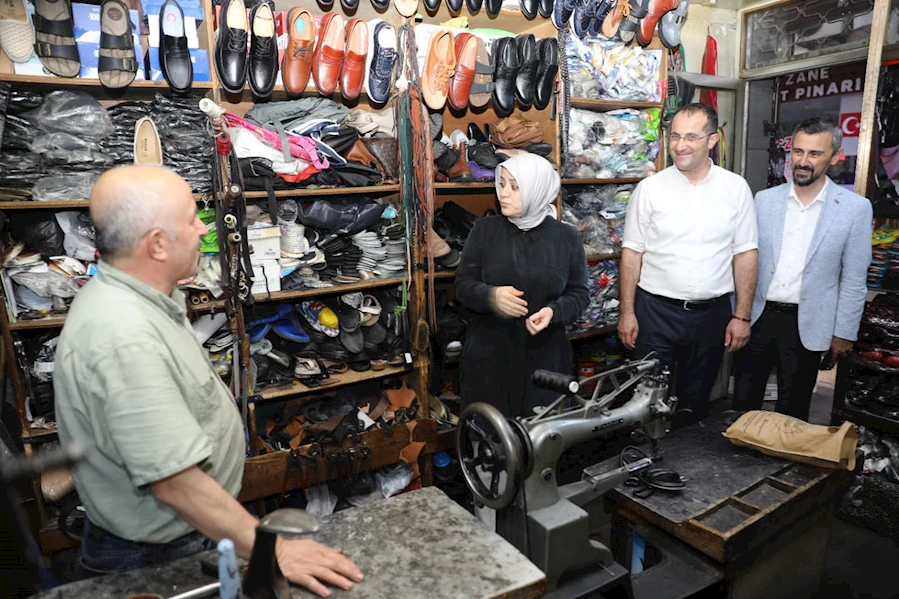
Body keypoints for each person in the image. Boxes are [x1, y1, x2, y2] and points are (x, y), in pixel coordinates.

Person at [54, 166, 363, 598]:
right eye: (191, 219)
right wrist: (273, 551)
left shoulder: (143, 298)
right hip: (156, 556)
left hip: (186, 533)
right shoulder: (123, 335)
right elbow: (176, 484)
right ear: (157, 244)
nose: (203, 228)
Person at [619, 103, 758, 425]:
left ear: (712, 140)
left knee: (695, 404)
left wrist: (742, 316)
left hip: (711, 316)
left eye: (691, 137)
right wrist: (627, 312)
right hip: (655, 313)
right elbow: (632, 253)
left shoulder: (735, 188)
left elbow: (745, 254)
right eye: (675, 136)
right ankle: (645, 452)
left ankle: (686, 452)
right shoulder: (650, 189)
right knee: (646, 401)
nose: (680, 145)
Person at [734, 118, 872, 421]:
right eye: (798, 152)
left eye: (814, 154)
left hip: (807, 324)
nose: (803, 161)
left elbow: (854, 279)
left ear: (835, 157)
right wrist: (737, 314)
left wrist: (843, 333)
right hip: (758, 317)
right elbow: (744, 260)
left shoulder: (854, 209)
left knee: (793, 413)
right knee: (742, 406)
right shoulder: (764, 200)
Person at [455, 153, 589, 417]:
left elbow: (579, 294)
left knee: (541, 431)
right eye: (502, 184)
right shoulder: (485, 230)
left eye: (515, 187)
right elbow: (462, 286)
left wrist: (552, 312)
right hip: (489, 357)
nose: (503, 193)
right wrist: (490, 297)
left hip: (546, 359)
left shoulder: (566, 237)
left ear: (537, 190)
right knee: (490, 433)